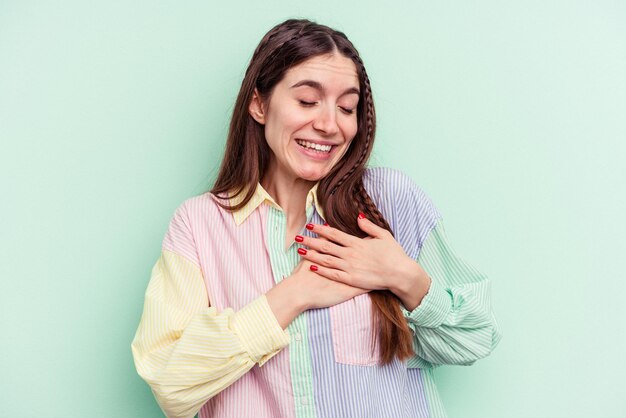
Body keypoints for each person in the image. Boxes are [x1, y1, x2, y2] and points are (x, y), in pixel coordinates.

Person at [131, 18, 502, 418]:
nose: (329, 124)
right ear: (259, 104)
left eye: (347, 107)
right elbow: (170, 381)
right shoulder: (200, 225)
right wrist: (294, 295)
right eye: (307, 101)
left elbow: (475, 337)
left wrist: (403, 277)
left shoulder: (390, 202)